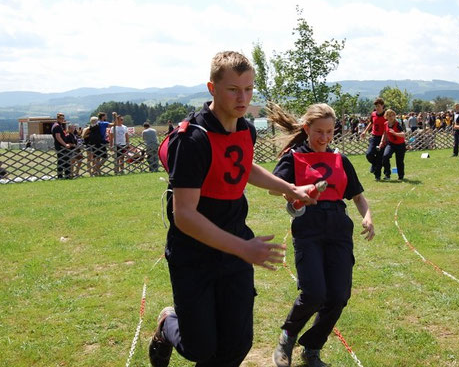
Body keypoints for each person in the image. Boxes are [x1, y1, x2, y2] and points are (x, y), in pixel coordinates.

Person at [149, 51, 315, 367]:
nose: (243, 98)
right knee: (200, 348)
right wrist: (245, 248)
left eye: (249, 89)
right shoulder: (193, 139)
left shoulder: (245, 130)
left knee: (236, 345)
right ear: (212, 88)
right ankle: (167, 324)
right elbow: (184, 215)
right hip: (194, 255)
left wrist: (290, 188)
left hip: (236, 249)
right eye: (233, 89)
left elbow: (243, 166)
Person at [267, 102, 375, 367]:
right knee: (314, 293)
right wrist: (295, 192)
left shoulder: (340, 159)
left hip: (338, 231)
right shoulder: (294, 157)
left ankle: (312, 348)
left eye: (329, 132)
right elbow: (274, 187)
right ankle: (287, 336)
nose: (324, 138)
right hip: (308, 231)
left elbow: (358, 197)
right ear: (306, 128)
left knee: (338, 296)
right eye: (319, 132)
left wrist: (367, 216)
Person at [360, 98, 386, 181]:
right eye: (376, 106)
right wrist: (365, 131)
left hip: (383, 138)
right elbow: (371, 123)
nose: (377, 108)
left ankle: (377, 176)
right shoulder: (373, 114)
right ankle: (375, 165)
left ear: (382, 106)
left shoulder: (386, 115)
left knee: (379, 157)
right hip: (374, 137)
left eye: (378, 106)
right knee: (369, 154)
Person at [379, 109, 407, 180]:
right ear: (386, 116)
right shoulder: (385, 124)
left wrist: (395, 133)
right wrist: (382, 142)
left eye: (392, 115)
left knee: (399, 161)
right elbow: (385, 133)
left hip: (400, 144)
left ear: (394, 116)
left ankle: (400, 176)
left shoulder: (398, 124)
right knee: (385, 156)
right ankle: (387, 175)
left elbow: (403, 134)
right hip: (391, 144)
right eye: (389, 115)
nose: (391, 117)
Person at [51, 112, 72, 179]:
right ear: (57, 118)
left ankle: (65, 175)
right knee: (62, 161)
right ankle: (62, 176)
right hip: (60, 146)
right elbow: (58, 137)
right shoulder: (57, 126)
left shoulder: (59, 125)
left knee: (64, 160)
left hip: (61, 145)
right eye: (61, 118)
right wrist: (65, 144)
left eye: (63, 118)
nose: (62, 119)